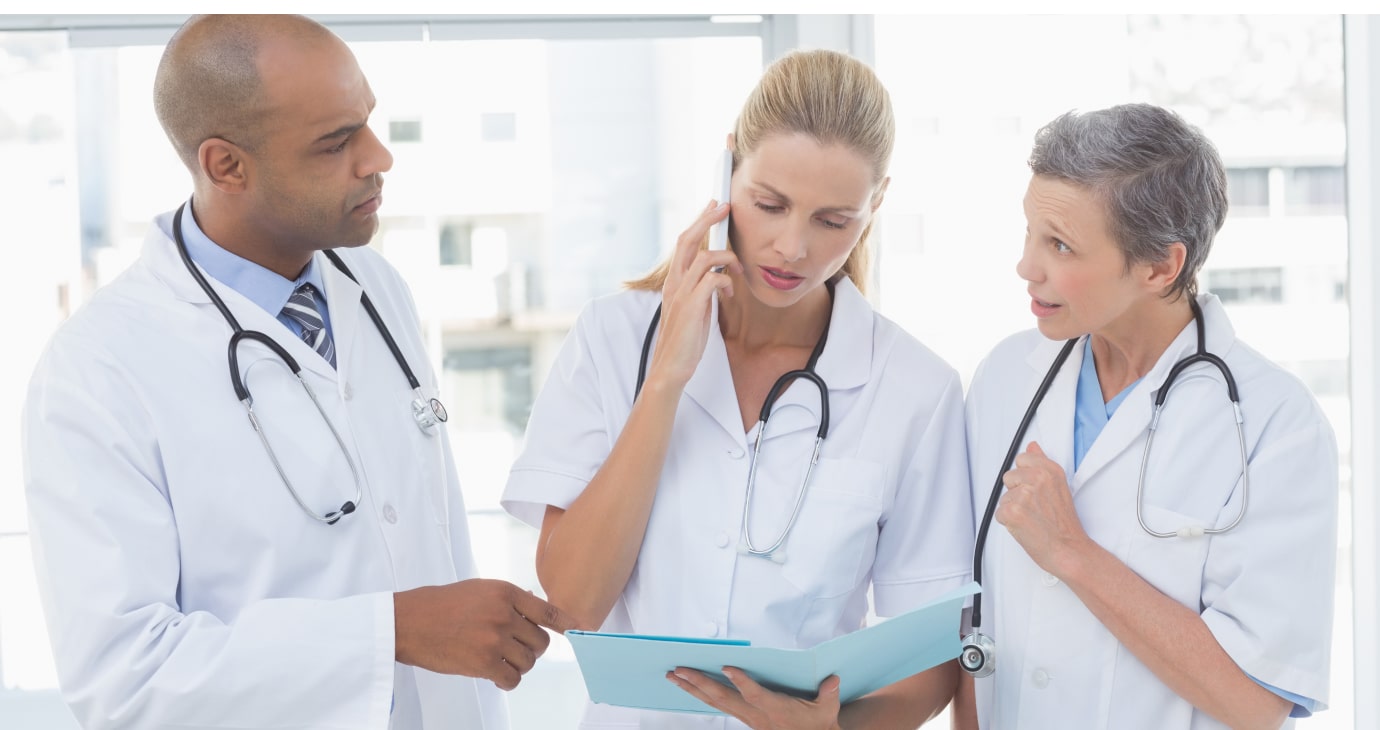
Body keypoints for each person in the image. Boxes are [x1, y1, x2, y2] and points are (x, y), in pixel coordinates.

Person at [21, 14, 573, 729]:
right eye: (335, 142)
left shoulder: (374, 288)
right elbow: (126, 680)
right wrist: (393, 633)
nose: (379, 158)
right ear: (226, 166)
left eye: (368, 122)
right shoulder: (97, 371)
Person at [500, 49, 973, 729]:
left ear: (878, 204)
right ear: (728, 168)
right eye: (770, 204)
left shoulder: (916, 390)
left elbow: (929, 656)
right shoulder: (614, 338)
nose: (792, 246)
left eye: (833, 220)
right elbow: (573, 602)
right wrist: (666, 379)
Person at [954, 103, 1338, 729]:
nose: (1027, 267)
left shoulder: (1276, 424)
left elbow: (1257, 702)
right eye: (1029, 232)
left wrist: (1073, 553)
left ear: (1161, 266)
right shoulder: (1003, 378)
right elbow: (971, 622)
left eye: (1060, 245)